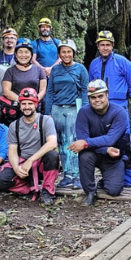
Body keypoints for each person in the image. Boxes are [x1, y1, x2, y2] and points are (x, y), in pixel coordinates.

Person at [88, 30, 131, 188]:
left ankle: (129, 180)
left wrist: (124, 96)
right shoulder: (94, 64)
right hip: (100, 108)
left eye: (108, 45)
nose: (105, 48)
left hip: (119, 105)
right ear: (98, 46)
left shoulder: (122, 62)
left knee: (124, 141)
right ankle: (110, 177)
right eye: (102, 45)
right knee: (104, 142)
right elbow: (91, 84)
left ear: (112, 46)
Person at [68, 80, 129, 206]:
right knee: (85, 156)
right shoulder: (84, 113)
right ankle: (90, 192)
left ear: (107, 94)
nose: (97, 100)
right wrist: (103, 149)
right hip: (94, 154)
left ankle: (104, 181)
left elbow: (110, 139)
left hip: (114, 157)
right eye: (93, 97)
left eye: (100, 96)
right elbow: (82, 141)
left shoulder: (119, 112)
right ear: (89, 99)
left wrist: (85, 143)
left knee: (114, 190)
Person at [0, 88, 59, 205]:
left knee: (52, 155)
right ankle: (30, 188)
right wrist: (16, 168)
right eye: (23, 104)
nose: (27, 107)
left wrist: (31, 160)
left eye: (30, 103)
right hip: (23, 165)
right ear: (20, 106)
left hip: (41, 164)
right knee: (1, 181)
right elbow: (12, 151)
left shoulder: (46, 120)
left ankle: (47, 190)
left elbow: (52, 143)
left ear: (36, 104)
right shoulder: (15, 125)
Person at [45, 38, 88, 189]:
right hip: (57, 108)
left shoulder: (80, 69)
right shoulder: (55, 70)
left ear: (73, 53)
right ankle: (67, 175)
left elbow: (84, 90)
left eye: (69, 51)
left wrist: (84, 110)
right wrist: (48, 111)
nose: (66, 54)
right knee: (61, 143)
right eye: (63, 52)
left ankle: (76, 175)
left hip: (73, 108)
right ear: (59, 54)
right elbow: (50, 91)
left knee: (72, 141)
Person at [2, 38, 47, 104]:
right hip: (16, 107)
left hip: (35, 106)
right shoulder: (10, 71)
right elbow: (6, 91)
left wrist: (34, 101)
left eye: (26, 52)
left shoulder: (38, 69)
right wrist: (23, 102)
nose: (23, 55)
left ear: (31, 54)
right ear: (16, 54)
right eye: (20, 52)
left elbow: (43, 90)